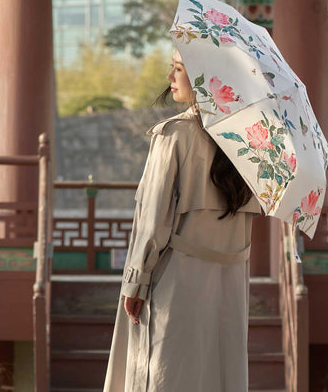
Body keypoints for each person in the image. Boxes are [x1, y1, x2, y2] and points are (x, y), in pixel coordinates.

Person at [103, 50, 261, 392]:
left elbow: (152, 218)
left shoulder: (173, 134)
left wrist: (135, 282)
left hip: (176, 279)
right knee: (218, 376)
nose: (170, 78)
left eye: (178, 69)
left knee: (164, 374)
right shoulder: (253, 144)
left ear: (204, 77)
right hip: (230, 287)